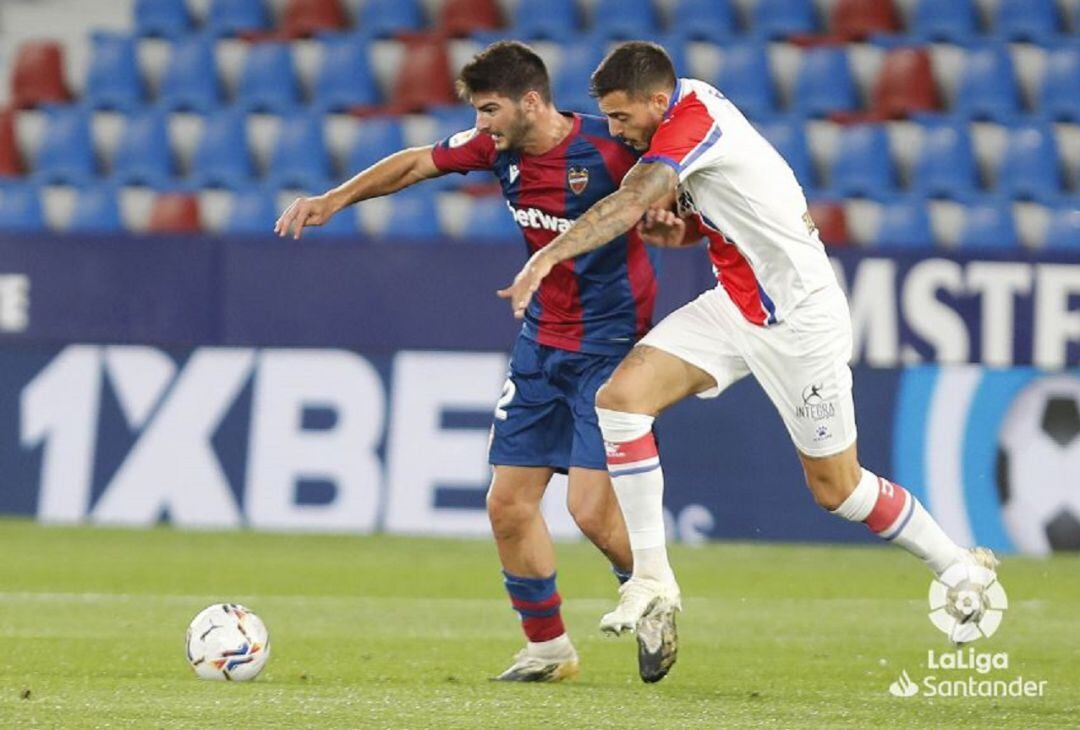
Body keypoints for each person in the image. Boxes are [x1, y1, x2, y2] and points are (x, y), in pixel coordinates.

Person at [498, 41, 1001, 646]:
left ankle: (958, 568)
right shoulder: (681, 115)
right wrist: (679, 229)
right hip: (735, 304)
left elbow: (631, 199)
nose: (614, 129)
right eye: (607, 117)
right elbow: (707, 220)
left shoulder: (695, 122)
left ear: (658, 101)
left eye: (622, 116)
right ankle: (653, 579)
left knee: (838, 489)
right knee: (621, 400)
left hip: (799, 322)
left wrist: (546, 257)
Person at [274, 41, 678, 682]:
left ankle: (656, 596)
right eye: (479, 112)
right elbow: (413, 165)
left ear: (532, 102)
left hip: (611, 349)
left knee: (592, 513)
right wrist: (334, 199)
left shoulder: (613, 147)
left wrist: (671, 219)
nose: (482, 124)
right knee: (508, 506)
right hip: (542, 343)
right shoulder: (497, 148)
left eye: (491, 110)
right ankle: (548, 649)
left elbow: (678, 195)